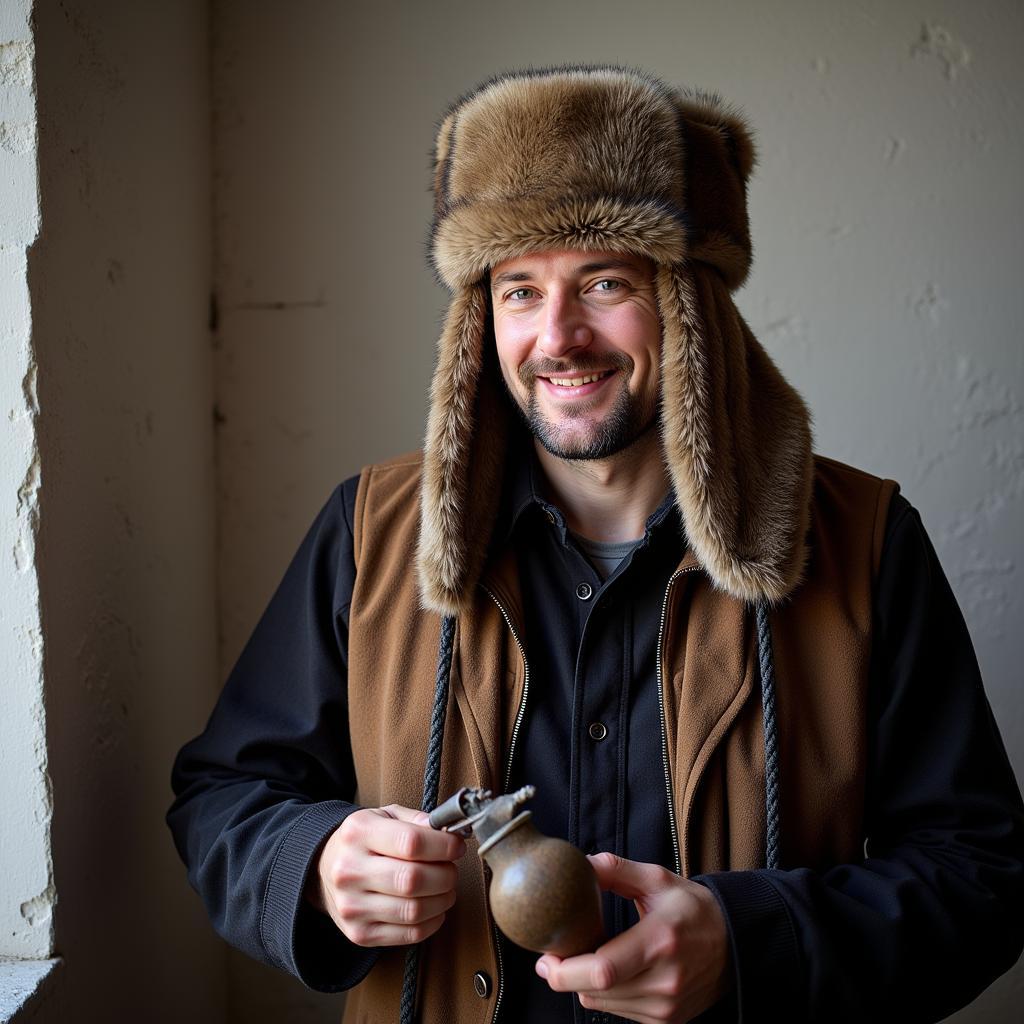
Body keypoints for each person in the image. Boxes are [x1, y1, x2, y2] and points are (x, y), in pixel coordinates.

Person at [168, 66, 1024, 1024]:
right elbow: (221, 800)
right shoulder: (372, 535)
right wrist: (315, 865)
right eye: (519, 290)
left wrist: (751, 944)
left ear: (689, 305)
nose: (558, 336)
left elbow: (984, 877)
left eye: (606, 282)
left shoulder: (865, 543)